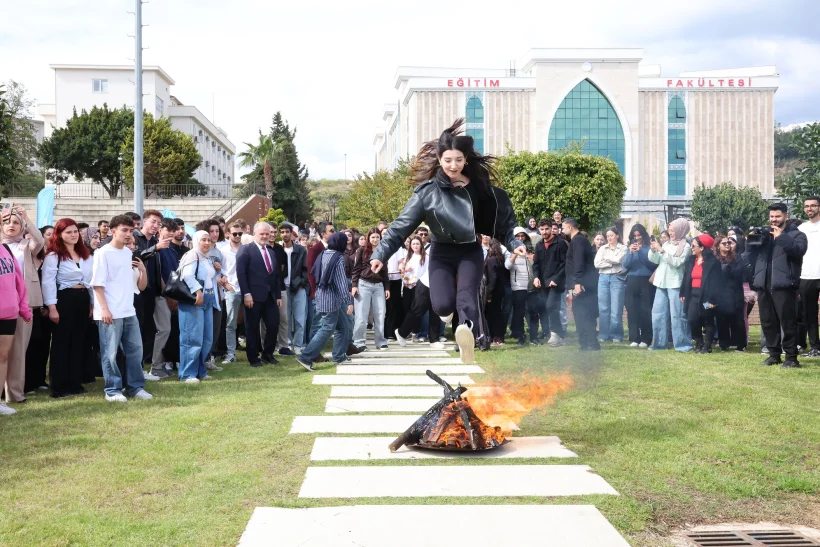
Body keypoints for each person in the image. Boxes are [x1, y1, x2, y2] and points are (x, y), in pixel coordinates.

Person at [369, 118, 524, 364]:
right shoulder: (427, 193)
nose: (454, 165)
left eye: (459, 160)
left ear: (466, 160)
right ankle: (450, 318)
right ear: (440, 160)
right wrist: (379, 254)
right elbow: (399, 228)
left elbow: (503, 226)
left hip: (469, 251)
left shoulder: (481, 190)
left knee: (467, 297)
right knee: (442, 306)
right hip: (441, 252)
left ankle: (467, 335)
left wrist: (516, 244)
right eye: (448, 160)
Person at [91, 215, 152, 402]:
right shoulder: (102, 253)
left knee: (135, 351)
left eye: (130, 230)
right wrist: (105, 310)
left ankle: (135, 387)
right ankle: (112, 390)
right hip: (110, 312)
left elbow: (134, 285)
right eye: (124, 230)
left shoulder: (127, 253)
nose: (128, 234)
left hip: (128, 310)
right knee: (110, 353)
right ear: (112, 231)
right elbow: (97, 285)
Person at [747, 203, 808, 368]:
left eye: (777, 216)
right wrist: (752, 239)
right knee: (768, 321)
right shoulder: (765, 236)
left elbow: (798, 251)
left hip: (784, 285)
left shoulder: (797, 235)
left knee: (788, 323)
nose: (774, 220)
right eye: (772, 217)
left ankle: (791, 358)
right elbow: (749, 255)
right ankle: (774, 355)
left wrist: (781, 237)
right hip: (764, 285)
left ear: (786, 216)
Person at [41, 219, 93, 398]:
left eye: (75, 232)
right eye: (68, 232)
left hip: (83, 299)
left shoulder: (85, 255)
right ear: (60, 234)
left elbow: (92, 281)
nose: (73, 235)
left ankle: (75, 383)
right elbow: (48, 282)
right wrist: (52, 308)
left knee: (78, 342)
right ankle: (59, 387)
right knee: (61, 343)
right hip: (64, 299)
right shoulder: (53, 256)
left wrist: (92, 303)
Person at [1, 205, 44, 404]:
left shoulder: (26, 246)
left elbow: (40, 241)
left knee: (18, 351)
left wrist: (26, 218)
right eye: (7, 222)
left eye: (16, 223)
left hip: (21, 304)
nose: (11, 226)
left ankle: (15, 394)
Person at [297, 232, 354, 370]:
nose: (346, 245)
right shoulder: (338, 258)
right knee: (327, 328)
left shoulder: (323, 253)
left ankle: (339, 357)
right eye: (345, 242)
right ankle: (306, 357)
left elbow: (314, 273)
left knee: (342, 326)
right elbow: (341, 282)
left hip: (321, 295)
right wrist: (349, 301)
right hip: (332, 299)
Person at [177, 231, 221, 383]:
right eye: (203, 240)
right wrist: (198, 291)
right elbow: (187, 275)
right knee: (192, 338)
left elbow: (209, 278)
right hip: (194, 301)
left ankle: (200, 371)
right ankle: (187, 374)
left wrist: (217, 270)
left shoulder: (206, 258)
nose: (207, 243)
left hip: (207, 300)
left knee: (206, 339)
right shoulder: (192, 255)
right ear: (196, 241)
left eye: (209, 240)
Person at [236, 222, 282, 368]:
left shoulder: (271, 251)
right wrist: (246, 294)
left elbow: (275, 276)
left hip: (270, 296)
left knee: (274, 325)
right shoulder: (246, 250)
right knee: (252, 328)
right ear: (255, 234)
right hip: (253, 296)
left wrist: (278, 295)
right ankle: (253, 358)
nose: (265, 236)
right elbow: (241, 274)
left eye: (267, 234)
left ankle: (268, 354)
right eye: (262, 234)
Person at [133, 209, 172, 369]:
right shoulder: (136, 238)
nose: (155, 226)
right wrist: (155, 248)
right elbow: (136, 257)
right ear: (144, 221)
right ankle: (137, 366)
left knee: (151, 330)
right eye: (153, 221)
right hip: (138, 291)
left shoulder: (154, 241)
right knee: (139, 330)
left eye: (158, 223)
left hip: (154, 292)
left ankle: (148, 365)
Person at [648, 218, 693, 352]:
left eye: (673, 230)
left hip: (675, 284)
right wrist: (654, 250)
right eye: (670, 230)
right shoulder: (667, 244)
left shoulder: (686, 246)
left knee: (677, 315)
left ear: (681, 230)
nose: (671, 233)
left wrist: (661, 251)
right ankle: (659, 343)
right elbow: (655, 260)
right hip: (661, 283)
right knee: (658, 313)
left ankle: (683, 344)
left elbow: (677, 262)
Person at [0, 238, 33, 415]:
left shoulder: (5, 249)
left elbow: (19, 281)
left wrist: (23, 308)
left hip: (8, 312)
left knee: (3, 357)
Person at [395, 237, 445, 350]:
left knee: (435, 312)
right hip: (425, 284)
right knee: (417, 310)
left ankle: (434, 339)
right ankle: (401, 332)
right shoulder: (430, 253)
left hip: (437, 285)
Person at [149, 218, 184, 378]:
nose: (171, 233)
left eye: (173, 230)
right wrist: (168, 295)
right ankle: (155, 366)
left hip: (171, 294)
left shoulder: (170, 249)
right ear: (159, 231)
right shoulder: (157, 249)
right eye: (167, 229)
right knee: (163, 330)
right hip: (161, 296)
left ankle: (160, 364)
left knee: (167, 330)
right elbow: (160, 275)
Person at [25, 225, 55, 394]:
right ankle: (27, 382)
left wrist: (47, 306)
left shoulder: (48, 258)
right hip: (30, 307)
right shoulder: (24, 258)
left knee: (43, 345)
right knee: (29, 345)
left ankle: (39, 379)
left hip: (45, 309)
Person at [563, 218, 600, 351]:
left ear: (570, 227)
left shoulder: (578, 240)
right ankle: (587, 343)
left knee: (582, 313)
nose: (562, 230)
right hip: (583, 282)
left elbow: (578, 262)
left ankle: (589, 343)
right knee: (581, 312)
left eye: (564, 227)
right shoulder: (579, 240)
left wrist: (577, 282)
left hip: (582, 284)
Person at [680, 234, 721, 353]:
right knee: (693, 319)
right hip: (693, 295)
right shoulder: (691, 260)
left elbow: (716, 283)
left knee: (708, 319)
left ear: (702, 248)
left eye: (693, 245)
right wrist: (683, 292)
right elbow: (686, 278)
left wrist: (713, 301)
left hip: (707, 297)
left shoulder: (713, 263)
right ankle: (699, 342)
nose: (691, 247)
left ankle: (707, 345)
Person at [352, 228, 390, 351]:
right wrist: (354, 285)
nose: (375, 239)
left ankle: (380, 341)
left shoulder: (383, 251)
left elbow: (385, 272)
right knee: (361, 316)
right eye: (372, 237)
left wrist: (387, 287)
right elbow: (356, 269)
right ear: (368, 238)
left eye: (377, 237)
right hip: (363, 284)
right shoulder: (362, 251)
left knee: (380, 315)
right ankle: (359, 342)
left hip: (379, 286)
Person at [533, 219, 568, 347]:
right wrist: (536, 277)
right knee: (550, 309)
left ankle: (555, 334)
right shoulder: (538, 246)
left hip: (556, 283)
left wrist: (556, 279)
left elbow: (565, 265)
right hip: (543, 283)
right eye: (542, 229)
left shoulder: (561, 244)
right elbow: (536, 264)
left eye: (547, 229)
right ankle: (560, 336)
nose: (544, 232)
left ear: (552, 229)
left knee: (551, 307)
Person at [623, 224, 657, 348]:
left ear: (643, 235)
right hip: (632, 280)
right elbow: (626, 265)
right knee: (632, 309)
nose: (637, 238)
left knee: (645, 309)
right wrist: (630, 253)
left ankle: (646, 339)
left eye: (639, 235)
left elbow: (651, 264)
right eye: (635, 236)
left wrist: (640, 251)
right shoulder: (630, 248)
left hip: (646, 280)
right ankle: (634, 338)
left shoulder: (649, 248)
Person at [507, 228, 541, 345]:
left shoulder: (531, 250)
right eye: (518, 236)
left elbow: (538, 266)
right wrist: (515, 254)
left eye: (523, 236)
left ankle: (534, 336)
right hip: (518, 287)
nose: (520, 238)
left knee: (533, 312)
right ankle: (521, 336)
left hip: (532, 286)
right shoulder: (510, 251)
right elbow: (507, 266)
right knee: (519, 313)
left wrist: (532, 258)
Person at [714, 234, 747, 351]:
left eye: (729, 243)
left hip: (735, 292)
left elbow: (739, 273)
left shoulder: (737, 257)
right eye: (724, 243)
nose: (727, 245)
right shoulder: (715, 259)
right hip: (720, 293)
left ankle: (740, 344)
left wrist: (726, 269)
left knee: (737, 318)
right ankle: (724, 343)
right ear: (718, 246)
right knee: (721, 318)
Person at [279, 223, 308, 355]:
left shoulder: (301, 250)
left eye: (287, 232)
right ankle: (287, 344)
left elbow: (306, 269)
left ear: (292, 234)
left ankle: (298, 345)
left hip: (298, 288)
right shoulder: (278, 250)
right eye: (282, 232)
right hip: (283, 288)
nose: (285, 234)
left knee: (299, 319)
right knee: (285, 319)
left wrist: (302, 282)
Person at [594, 226, 627, 343]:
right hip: (603, 278)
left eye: (611, 235)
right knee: (603, 307)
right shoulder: (602, 248)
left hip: (617, 278)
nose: (609, 238)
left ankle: (616, 335)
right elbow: (597, 263)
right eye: (607, 236)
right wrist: (610, 262)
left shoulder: (623, 248)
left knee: (616, 308)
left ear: (617, 236)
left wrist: (607, 260)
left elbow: (619, 260)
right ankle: (603, 334)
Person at [306, 222, 335, 354]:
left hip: (333, 292)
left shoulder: (334, 248)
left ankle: (346, 346)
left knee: (343, 321)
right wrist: (315, 291)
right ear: (323, 234)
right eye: (331, 231)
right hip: (319, 292)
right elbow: (311, 273)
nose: (334, 233)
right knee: (317, 322)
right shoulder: (315, 249)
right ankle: (313, 352)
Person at [218, 221, 244, 364]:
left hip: (246, 290)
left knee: (250, 323)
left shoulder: (246, 249)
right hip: (231, 290)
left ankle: (253, 351)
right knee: (230, 323)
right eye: (235, 233)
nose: (238, 236)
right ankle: (230, 353)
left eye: (240, 233)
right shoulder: (223, 251)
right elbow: (219, 270)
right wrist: (226, 284)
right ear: (228, 234)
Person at [798, 196, 820, 358]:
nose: (809, 209)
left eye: (813, 206)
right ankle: (815, 347)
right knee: (809, 314)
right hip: (806, 275)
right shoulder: (801, 228)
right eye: (807, 206)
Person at [484, 239, 507, 346]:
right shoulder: (500, 259)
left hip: (494, 291)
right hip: (501, 290)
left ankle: (495, 337)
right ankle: (498, 336)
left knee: (492, 315)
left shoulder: (492, 260)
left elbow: (493, 277)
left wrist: (488, 293)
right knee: (498, 314)